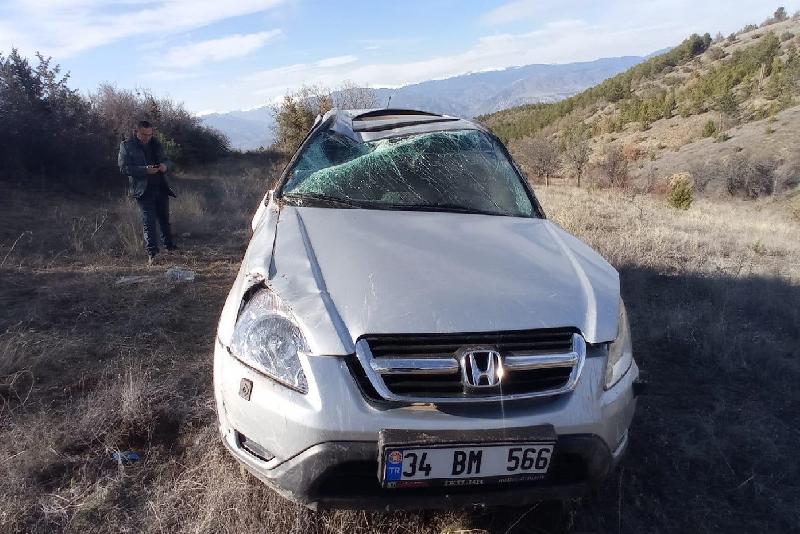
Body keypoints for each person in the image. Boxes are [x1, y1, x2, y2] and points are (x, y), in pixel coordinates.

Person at [118, 120, 177, 264]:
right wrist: (144, 170)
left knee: (164, 220)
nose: (147, 137)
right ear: (136, 132)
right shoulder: (126, 146)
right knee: (148, 222)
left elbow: (168, 161)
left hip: (161, 187)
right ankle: (153, 254)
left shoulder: (156, 144)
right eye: (144, 134)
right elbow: (123, 168)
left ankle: (170, 248)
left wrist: (165, 166)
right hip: (143, 190)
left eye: (149, 134)